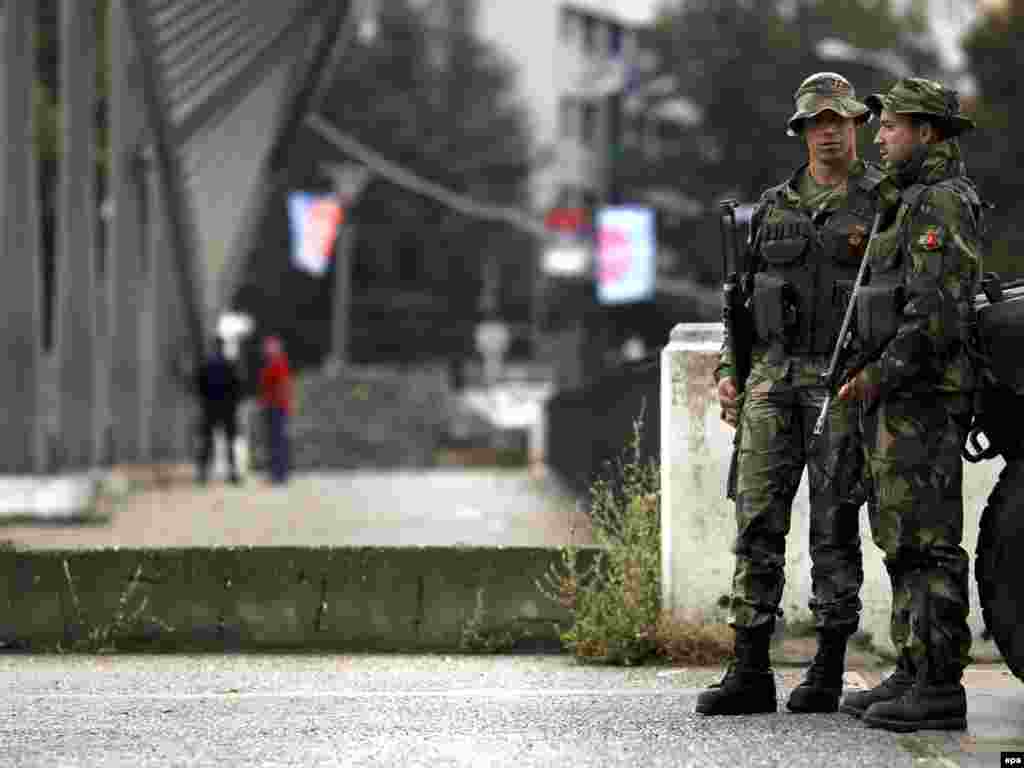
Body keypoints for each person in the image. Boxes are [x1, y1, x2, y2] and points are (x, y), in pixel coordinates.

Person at [697, 72, 883, 716]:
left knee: (834, 527)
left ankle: (828, 667)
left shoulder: (885, 204)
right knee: (756, 524)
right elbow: (740, 307)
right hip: (770, 384)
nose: (827, 131)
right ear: (802, 132)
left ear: (856, 124)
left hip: (843, 385)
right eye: (816, 122)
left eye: (838, 119)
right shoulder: (771, 207)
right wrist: (730, 369)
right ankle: (748, 668)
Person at [836, 78, 982, 732]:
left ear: (927, 132)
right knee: (898, 537)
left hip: (921, 397)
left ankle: (941, 685)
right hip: (898, 397)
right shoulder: (907, 200)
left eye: (892, 125)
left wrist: (877, 376)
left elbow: (937, 316)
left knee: (928, 542)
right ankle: (915, 666)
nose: (880, 136)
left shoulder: (942, 205)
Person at [195, 335, 243, 485]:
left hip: (210, 407)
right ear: (223, 348)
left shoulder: (206, 365)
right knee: (229, 442)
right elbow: (237, 387)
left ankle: (203, 473)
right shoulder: (230, 365)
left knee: (207, 441)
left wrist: (204, 401)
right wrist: (234, 404)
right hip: (227, 409)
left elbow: (199, 386)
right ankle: (233, 473)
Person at [259, 335, 293, 485]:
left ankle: (279, 474)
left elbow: (282, 386)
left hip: (276, 407)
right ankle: (276, 472)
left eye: (270, 347)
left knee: (277, 440)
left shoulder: (278, 364)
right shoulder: (272, 364)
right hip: (273, 406)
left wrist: (279, 403)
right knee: (274, 441)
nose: (266, 350)